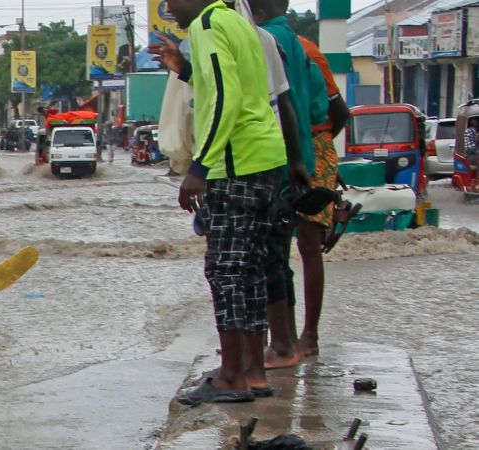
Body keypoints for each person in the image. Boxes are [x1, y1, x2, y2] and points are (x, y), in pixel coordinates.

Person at [149, 0, 306, 405]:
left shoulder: (207, 25)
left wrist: (200, 167)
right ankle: (253, 372)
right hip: (265, 159)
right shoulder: (239, 22)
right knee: (251, 269)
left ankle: (232, 376)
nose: (168, 6)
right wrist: (184, 70)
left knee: (226, 273)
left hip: (236, 162)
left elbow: (225, 100)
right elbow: (236, 88)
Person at [245, 0, 328, 370]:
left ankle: (280, 345)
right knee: (281, 253)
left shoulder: (261, 39)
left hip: (270, 159)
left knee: (269, 256)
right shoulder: (298, 43)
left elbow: (271, 102)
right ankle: (289, 340)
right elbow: (318, 109)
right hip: (297, 157)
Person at [294, 35, 351, 358]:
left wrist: (323, 152)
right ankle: (284, 335)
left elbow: (340, 111)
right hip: (299, 145)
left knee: (307, 242)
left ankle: (309, 336)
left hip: (311, 145)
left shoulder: (305, 52)